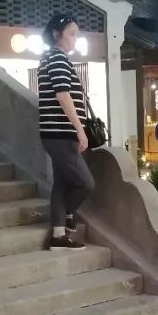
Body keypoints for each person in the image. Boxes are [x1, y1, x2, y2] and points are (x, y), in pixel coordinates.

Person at [37, 13, 94, 251]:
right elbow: (63, 96)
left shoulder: (51, 57)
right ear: (56, 35)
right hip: (61, 134)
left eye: (76, 34)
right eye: (71, 34)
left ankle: (58, 236)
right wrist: (80, 130)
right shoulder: (57, 58)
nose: (74, 38)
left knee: (61, 183)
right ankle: (68, 213)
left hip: (56, 133)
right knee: (85, 184)